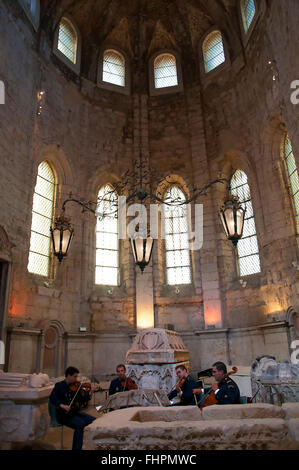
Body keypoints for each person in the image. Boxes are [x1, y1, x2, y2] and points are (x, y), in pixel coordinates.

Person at [49, 366, 96, 450]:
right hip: (63, 415)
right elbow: (53, 398)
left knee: (93, 420)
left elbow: (82, 399)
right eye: (75, 376)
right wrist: (62, 405)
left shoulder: (75, 387)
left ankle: (87, 444)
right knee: (80, 424)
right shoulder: (59, 386)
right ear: (68, 376)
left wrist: (90, 392)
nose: (76, 379)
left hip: (74, 413)